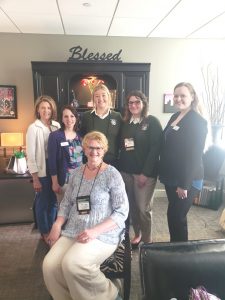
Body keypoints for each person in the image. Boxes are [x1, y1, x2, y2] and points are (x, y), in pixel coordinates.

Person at [42, 131, 129, 300]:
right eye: (90, 147)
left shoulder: (112, 174)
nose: (94, 151)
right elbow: (66, 203)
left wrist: (95, 231)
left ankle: (109, 293)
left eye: (98, 148)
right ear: (84, 149)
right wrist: (57, 225)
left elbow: (122, 211)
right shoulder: (75, 173)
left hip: (103, 234)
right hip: (74, 229)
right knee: (49, 265)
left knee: (73, 264)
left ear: (104, 150)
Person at [159, 82, 208, 242]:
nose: (179, 99)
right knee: (176, 216)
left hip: (187, 179)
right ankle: (178, 248)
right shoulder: (175, 116)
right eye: (176, 96)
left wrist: (184, 184)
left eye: (183, 95)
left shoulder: (197, 121)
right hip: (171, 177)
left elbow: (194, 155)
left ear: (192, 97)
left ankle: (180, 250)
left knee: (176, 215)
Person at [118, 90, 162, 247]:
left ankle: (148, 238)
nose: (134, 105)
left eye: (137, 102)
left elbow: (155, 149)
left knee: (143, 208)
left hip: (145, 174)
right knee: (132, 207)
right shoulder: (125, 123)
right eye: (130, 103)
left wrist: (145, 173)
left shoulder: (152, 122)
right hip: (126, 173)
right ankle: (137, 233)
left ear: (143, 103)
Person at [26, 95, 60, 243]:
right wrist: (35, 178)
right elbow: (31, 155)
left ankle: (52, 228)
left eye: (49, 108)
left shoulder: (57, 125)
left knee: (53, 201)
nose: (46, 110)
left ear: (52, 110)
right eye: (43, 108)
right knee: (42, 202)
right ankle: (44, 231)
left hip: (55, 168)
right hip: (42, 170)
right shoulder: (33, 128)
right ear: (38, 110)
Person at [80, 84, 122, 167]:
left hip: (112, 162)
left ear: (109, 97)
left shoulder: (117, 116)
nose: (100, 99)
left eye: (103, 95)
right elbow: (82, 138)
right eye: (97, 96)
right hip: (91, 161)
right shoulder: (86, 116)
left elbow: (121, 139)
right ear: (93, 99)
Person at [48, 105, 83, 203]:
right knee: (63, 212)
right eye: (66, 116)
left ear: (76, 118)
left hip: (80, 180)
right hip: (64, 181)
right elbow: (52, 161)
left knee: (79, 211)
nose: (69, 119)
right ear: (62, 119)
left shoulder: (81, 136)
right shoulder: (55, 136)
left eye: (72, 116)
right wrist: (54, 182)